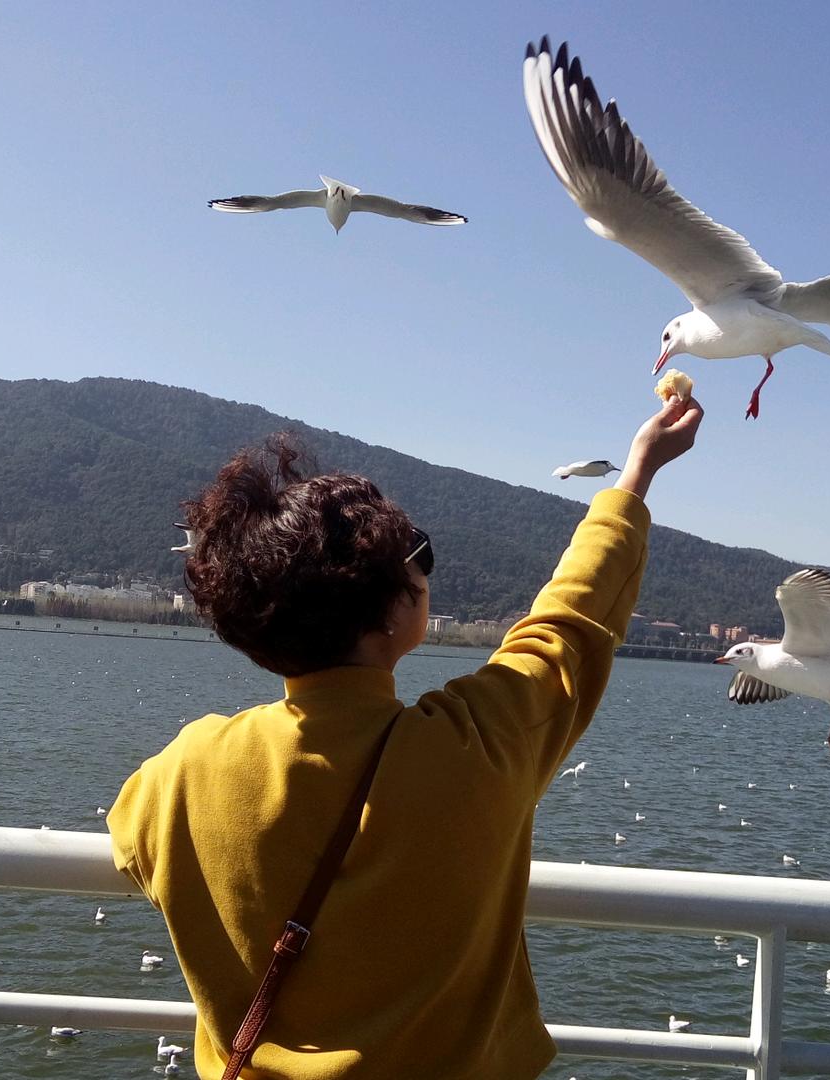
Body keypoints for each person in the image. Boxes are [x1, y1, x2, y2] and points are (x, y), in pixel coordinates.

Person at [107, 394, 703, 1079]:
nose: (423, 572)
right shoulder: (477, 744)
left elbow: (134, 843)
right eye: (416, 558)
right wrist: (635, 477)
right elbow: (567, 626)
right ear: (390, 610)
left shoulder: (183, 772)